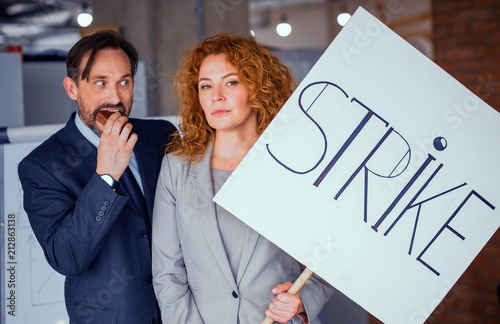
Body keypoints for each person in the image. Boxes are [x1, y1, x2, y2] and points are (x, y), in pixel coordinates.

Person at [152, 33, 334, 324]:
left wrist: (302, 300)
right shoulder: (177, 168)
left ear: (258, 87)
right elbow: (167, 272)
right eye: (206, 86)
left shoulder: (296, 165)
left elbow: (334, 246)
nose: (216, 96)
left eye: (231, 82)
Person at [18, 30, 175, 324]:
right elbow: (66, 257)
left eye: (124, 82)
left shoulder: (160, 135)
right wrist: (106, 176)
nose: (114, 97)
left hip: (180, 314)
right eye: (100, 82)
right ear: (72, 88)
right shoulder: (41, 166)